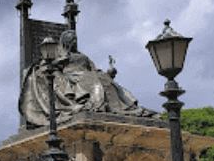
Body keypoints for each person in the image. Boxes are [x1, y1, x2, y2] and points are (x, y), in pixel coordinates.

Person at [18, 30, 158, 129]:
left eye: (75, 40)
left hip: (89, 75)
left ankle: (123, 107)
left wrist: (109, 73)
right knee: (92, 81)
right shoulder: (57, 54)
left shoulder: (82, 55)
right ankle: (97, 104)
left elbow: (93, 68)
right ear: (67, 41)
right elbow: (47, 67)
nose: (75, 42)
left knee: (105, 80)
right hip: (71, 77)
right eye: (72, 40)